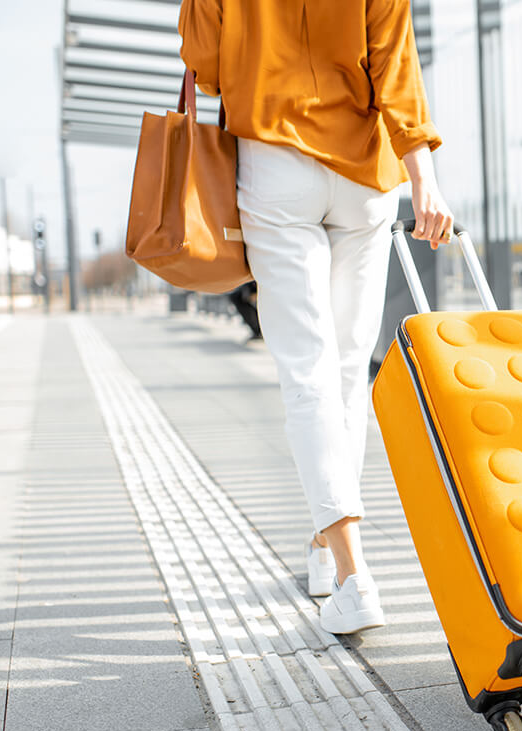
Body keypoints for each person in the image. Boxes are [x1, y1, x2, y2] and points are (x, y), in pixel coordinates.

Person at [179, 0, 453, 634]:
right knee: (348, 370)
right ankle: (326, 547)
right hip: (366, 175)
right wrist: (425, 180)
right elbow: (395, 65)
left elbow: (208, 69)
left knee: (308, 372)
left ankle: (355, 577)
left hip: (275, 165)